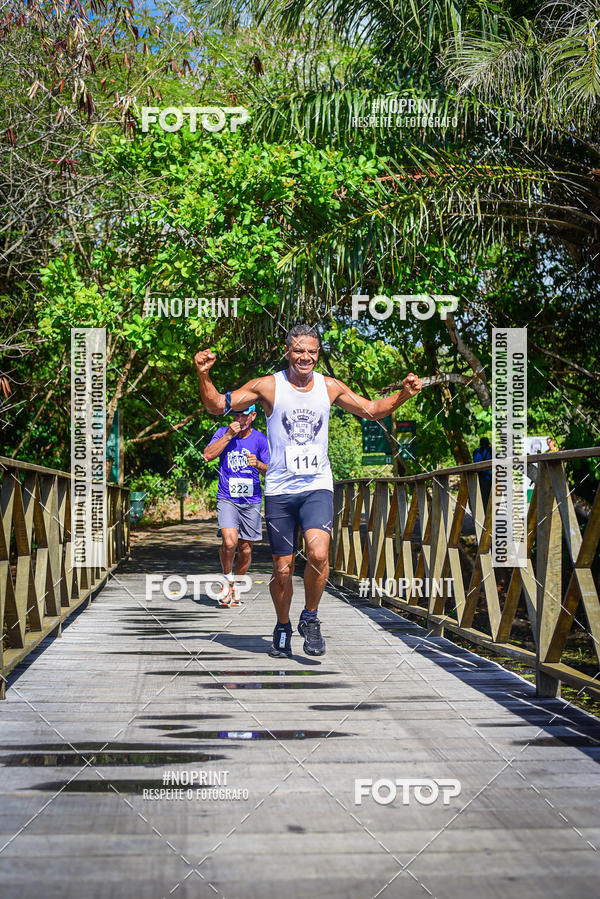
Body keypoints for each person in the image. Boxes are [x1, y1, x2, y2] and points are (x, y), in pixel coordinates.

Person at [195, 324, 422, 656]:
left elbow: (372, 411)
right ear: (288, 352)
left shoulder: (329, 387)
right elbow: (217, 405)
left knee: (318, 554)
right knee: (282, 567)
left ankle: (311, 618)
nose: (305, 357)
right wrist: (203, 374)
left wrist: (403, 394)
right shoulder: (269, 386)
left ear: (318, 354)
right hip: (279, 490)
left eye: (311, 352)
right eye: (298, 351)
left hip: (317, 485)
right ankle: (283, 624)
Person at [203, 406, 269, 607]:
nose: (239, 419)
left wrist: (258, 464)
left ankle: (236, 584)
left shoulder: (260, 439)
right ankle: (227, 579)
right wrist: (229, 435)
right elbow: (207, 455)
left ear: (253, 416)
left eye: (244, 415)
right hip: (227, 497)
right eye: (236, 415)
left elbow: (271, 471)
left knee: (246, 549)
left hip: (251, 501)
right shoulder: (223, 432)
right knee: (230, 543)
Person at [473, 436, 492, 511]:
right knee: (488, 497)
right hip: (488, 477)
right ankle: (488, 514)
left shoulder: (476, 451)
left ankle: (482, 513)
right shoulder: (490, 451)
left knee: (481, 497)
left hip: (478, 477)